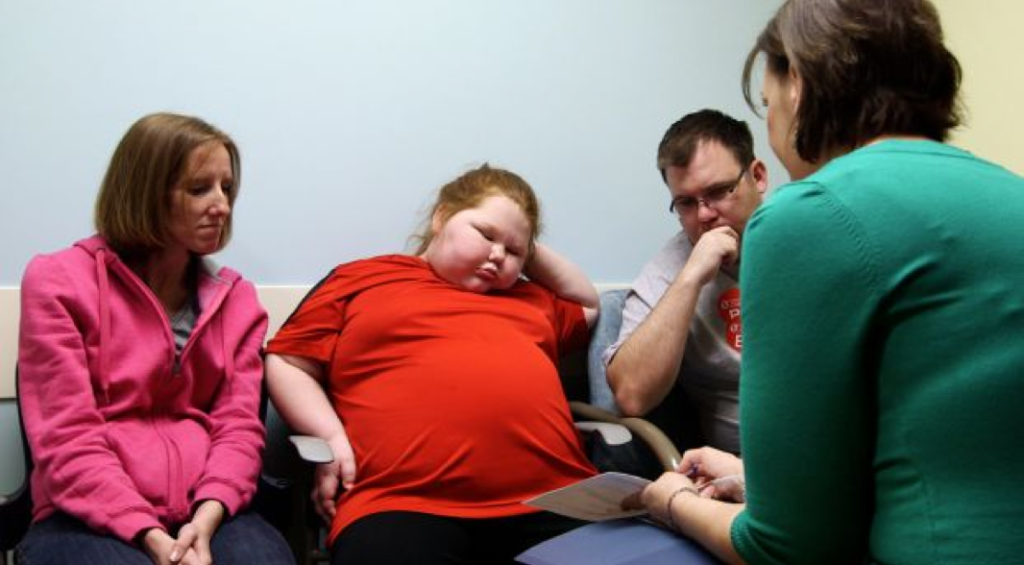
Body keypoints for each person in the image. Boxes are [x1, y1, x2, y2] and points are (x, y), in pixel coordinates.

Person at [631, 0, 1024, 563]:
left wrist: (671, 500)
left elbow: (786, 547)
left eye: (767, 102)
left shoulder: (807, 215)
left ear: (799, 86)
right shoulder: (1011, 194)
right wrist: (756, 477)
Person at [264, 164, 600, 564]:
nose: (498, 255)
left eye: (514, 252)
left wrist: (521, 240)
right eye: (486, 234)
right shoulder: (362, 278)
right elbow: (288, 360)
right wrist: (330, 436)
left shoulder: (531, 298)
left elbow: (588, 304)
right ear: (442, 217)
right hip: (401, 504)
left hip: (556, 498)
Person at [17, 113, 294, 565]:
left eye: (226, 188)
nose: (222, 206)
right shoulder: (58, 282)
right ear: (145, 190)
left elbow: (238, 429)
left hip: (208, 510)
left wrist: (205, 520)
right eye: (199, 189)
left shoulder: (237, 300)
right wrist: (150, 536)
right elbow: (67, 437)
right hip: (83, 514)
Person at [603, 109, 769, 454]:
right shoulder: (670, 268)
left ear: (758, 177)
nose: (704, 214)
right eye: (686, 203)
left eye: (719, 191)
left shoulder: (806, 235)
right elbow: (631, 395)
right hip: (739, 465)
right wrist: (691, 277)